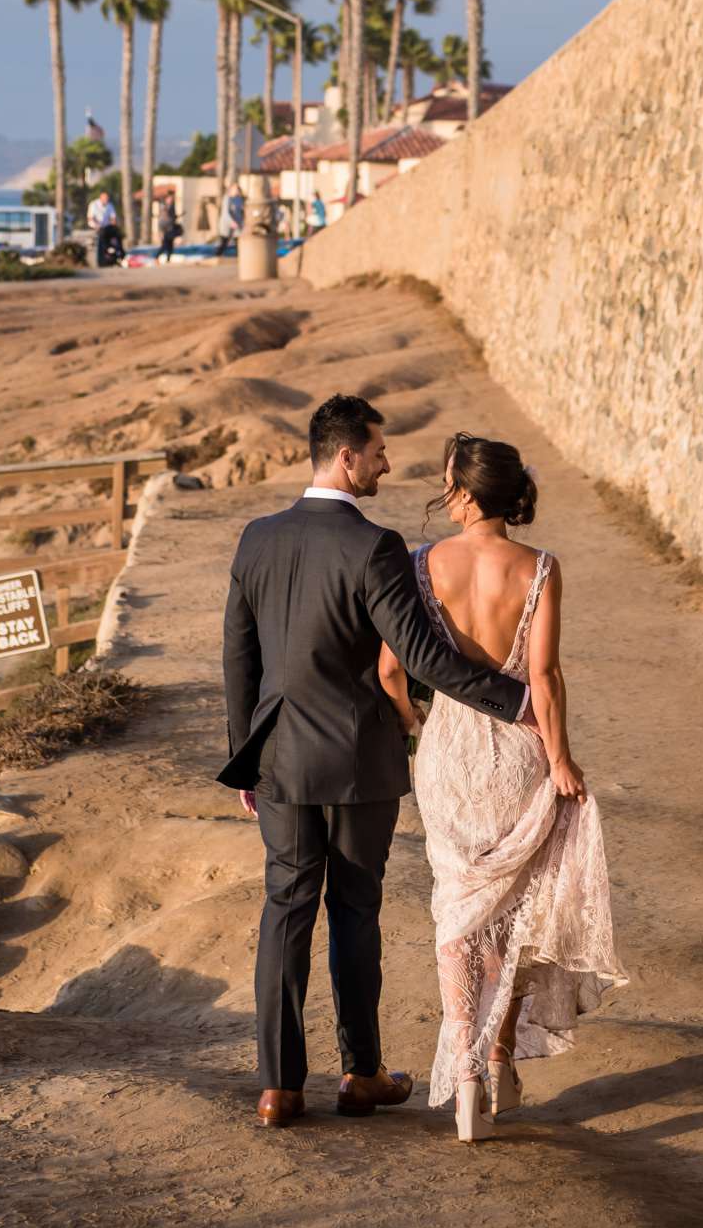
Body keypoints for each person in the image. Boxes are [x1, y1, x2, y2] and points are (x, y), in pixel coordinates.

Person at [220, 395, 530, 1130]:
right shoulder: (374, 546)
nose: (389, 462)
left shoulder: (256, 538)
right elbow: (420, 656)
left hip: (281, 760)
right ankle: (361, 1074)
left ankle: (278, 1088)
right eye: (380, 450)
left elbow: (240, 657)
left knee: (284, 913)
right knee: (355, 912)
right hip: (359, 764)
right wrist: (514, 701)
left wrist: (246, 758)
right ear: (348, 455)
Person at [379, 433, 624, 1142]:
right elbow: (543, 678)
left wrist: (413, 721)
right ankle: (501, 1054)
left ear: (463, 492)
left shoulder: (420, 564)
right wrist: (562, 759)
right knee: (510, 914)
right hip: (518, 751)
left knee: (459, 913)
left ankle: (465, 1085)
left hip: (450, 753)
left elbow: (392, 671)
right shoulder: (540, 567)